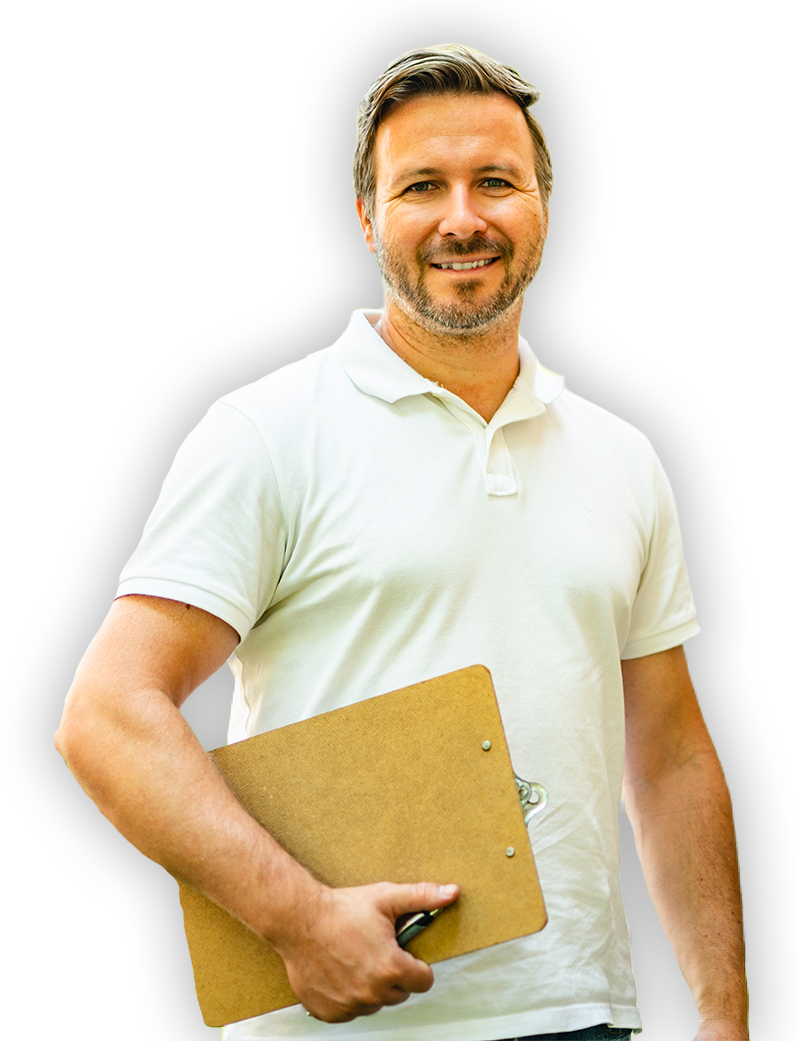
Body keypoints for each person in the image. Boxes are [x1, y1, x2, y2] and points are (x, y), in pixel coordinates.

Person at [54, 43, 748, 1041]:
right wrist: (297, 922)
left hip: (583, 1016)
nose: (461, 218)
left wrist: (722, 1016)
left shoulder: (619, 457)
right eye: (421, 185)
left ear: (542, 207)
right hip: (333, 1026)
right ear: (367, 218)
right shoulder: (267, 432)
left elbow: (669, 756)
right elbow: (107, 715)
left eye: (495, 182)